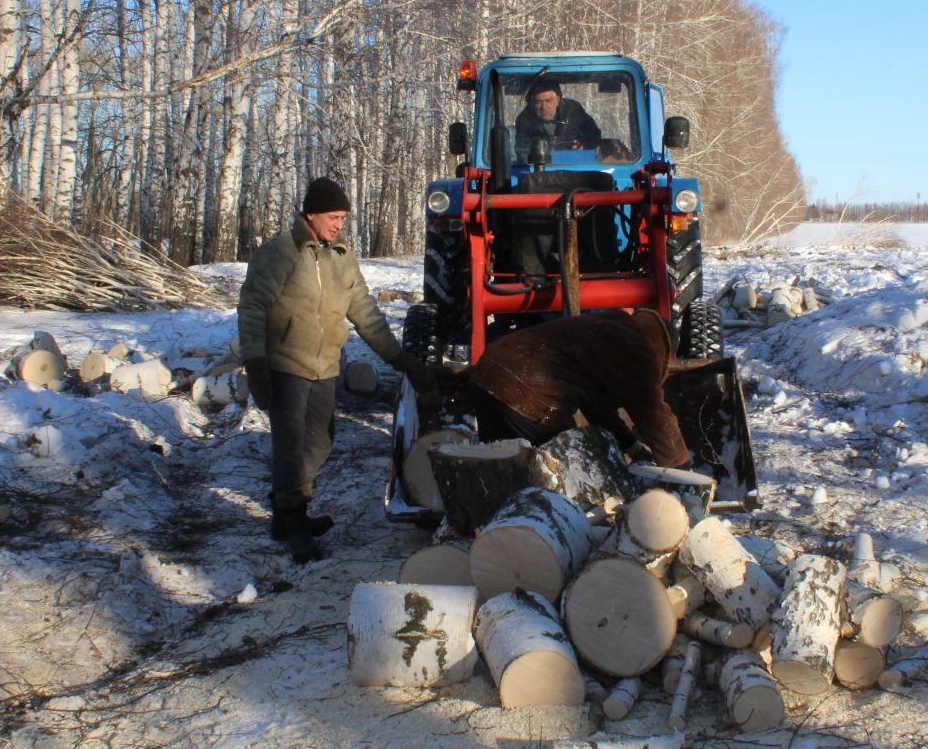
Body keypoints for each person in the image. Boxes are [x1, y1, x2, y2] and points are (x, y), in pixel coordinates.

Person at [239, 177, 434, 562]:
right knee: (291, 448)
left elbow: (366, 315)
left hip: (325, 365)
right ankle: (295, 523)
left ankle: (284, 509)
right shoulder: (280, 252)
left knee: (321, 442)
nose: (338, 224)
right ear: (310, 214)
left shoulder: (342, 257)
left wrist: (402, 360)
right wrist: (256, 363)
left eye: (343, 217)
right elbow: (252, 308)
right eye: (332, 216)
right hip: (284, 365)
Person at [467, 308, 690, 468]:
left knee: (500, 471)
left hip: (487, 372)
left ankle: (501, 527)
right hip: (524, 391)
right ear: (664, 348)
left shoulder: (612, 330)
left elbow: (598, 408)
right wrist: (680, 469)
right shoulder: (639, 348)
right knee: (568, 473)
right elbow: (653, 414)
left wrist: (631, 445)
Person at [514, 79, 603, 153]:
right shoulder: (524, 120)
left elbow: (594, 135)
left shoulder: (573, 110)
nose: (544, 107)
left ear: (558, 100)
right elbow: (523, 152)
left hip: (574, 164)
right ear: (531, 104)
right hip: (543, 166)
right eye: (538, 102)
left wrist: (584, 146)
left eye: (548, 100)